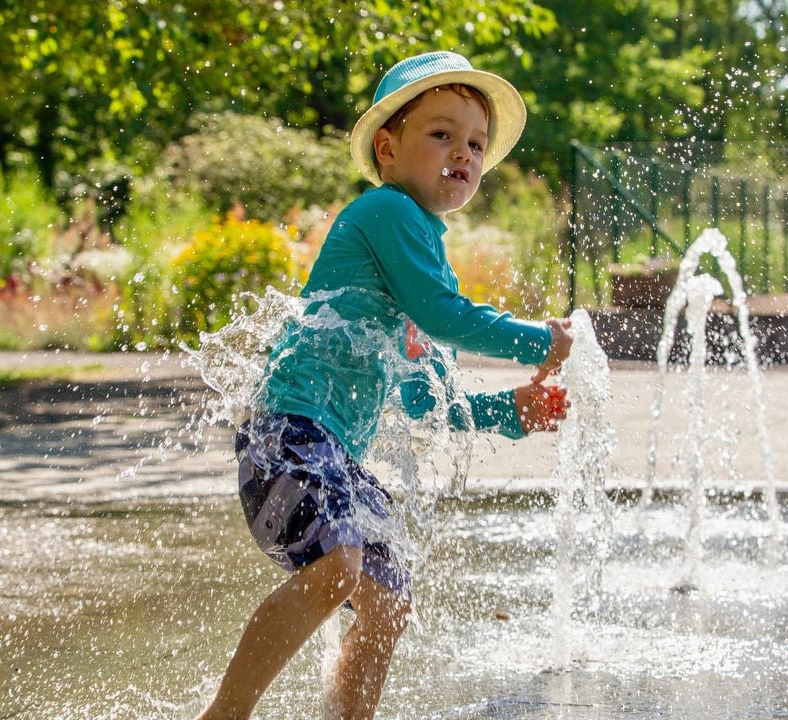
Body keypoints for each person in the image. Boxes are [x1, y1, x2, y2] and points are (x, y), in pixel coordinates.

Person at [197, 50, 574, 720]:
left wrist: (512, 412)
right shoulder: (386, 212)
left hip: (330, 447)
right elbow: (447, 317)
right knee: (341, 565)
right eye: (442, 134)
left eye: (477, 144)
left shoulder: (420, 251)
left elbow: (429, 400)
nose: (463, 153)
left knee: (388, 597)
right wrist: (541, 341)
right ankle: (223, 715)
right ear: (388, 146)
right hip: (288, 428)